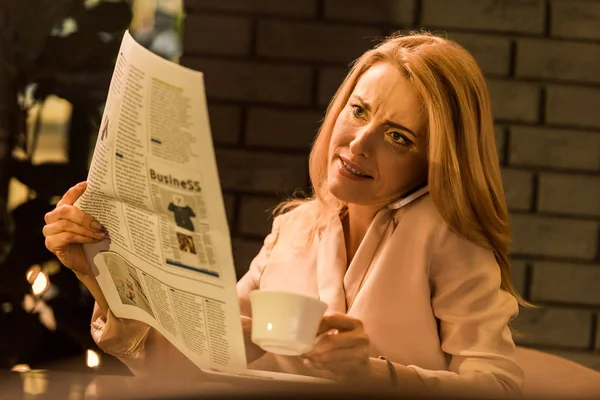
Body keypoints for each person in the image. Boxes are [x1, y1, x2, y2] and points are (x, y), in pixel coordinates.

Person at [43, 32, 525, 395]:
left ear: (435, 159)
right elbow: (192, 362)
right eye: (358, 111)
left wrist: (374, 374)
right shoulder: (295, 227)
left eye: (399, 137)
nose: (359, 143)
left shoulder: (448, 237)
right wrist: (101, 276)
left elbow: (499, 386)